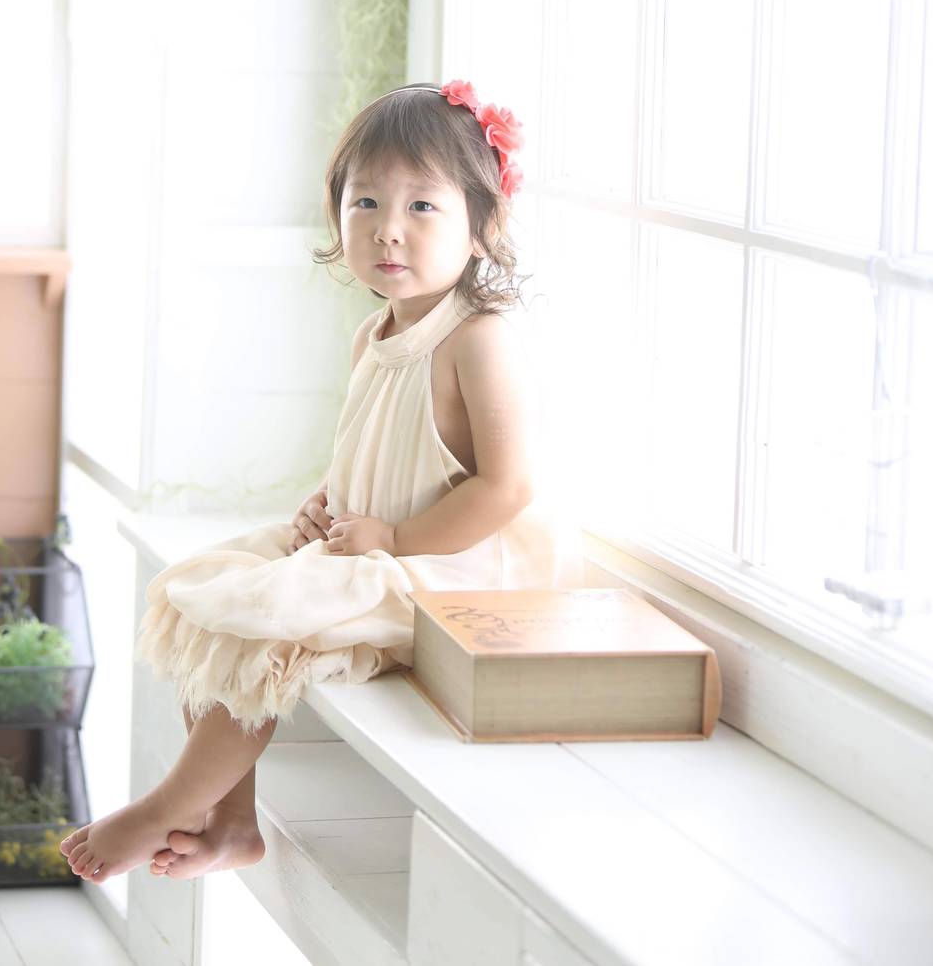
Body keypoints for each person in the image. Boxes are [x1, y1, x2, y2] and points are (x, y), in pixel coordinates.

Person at [58, 79, 584, 884]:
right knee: (217, 591)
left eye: (422, 206)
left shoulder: (476, 340)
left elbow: (506, 489)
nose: (387, 228)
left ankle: (169, 803)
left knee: (272, 619)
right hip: (374, 545)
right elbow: (376, 448)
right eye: (365, 201)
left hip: (450, 570)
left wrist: (396, 538)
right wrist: (328, 500)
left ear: (483, 227)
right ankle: (232, 819)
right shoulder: (373, 335)